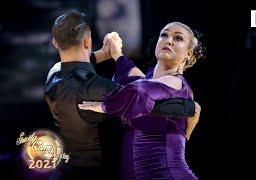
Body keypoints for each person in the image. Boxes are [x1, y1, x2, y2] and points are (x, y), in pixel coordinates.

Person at [45, 11, 198, 180]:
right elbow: (137, 82)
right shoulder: (150, 82)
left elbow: (137, 91)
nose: (168, 40)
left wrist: (105, 105)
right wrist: (190, 107)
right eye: (164, 35)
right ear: (87, 41)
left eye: (178, 38)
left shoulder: (55, 74)